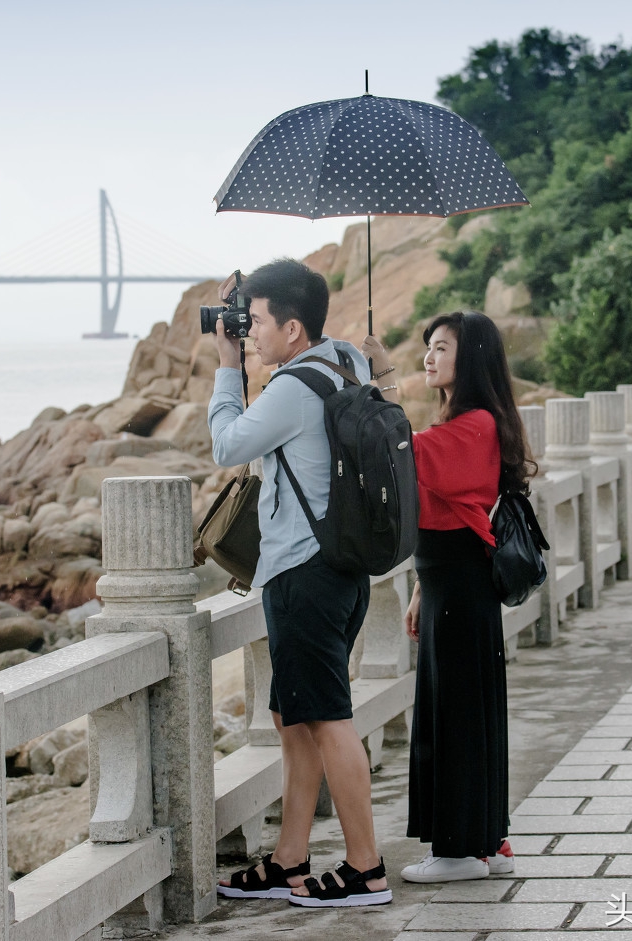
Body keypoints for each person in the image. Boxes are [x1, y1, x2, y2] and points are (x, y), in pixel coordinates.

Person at [207, 259, 391, 908]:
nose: (246, 332)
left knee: (330, 719)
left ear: (291, 327)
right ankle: (290, 858)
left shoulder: (289, 388)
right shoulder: (346, 359)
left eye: (254, 322)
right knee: (295, 716)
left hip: (303, 576)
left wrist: (228, 367)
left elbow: (227, 445)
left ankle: (366, 869)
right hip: (339, 572)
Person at [365, 311, 534, 883]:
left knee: (456, 714)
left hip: (460, 587)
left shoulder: (475, 425)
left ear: (473, 358)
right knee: (465, 709)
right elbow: (444, 506)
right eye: (428, 348)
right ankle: (487, 840)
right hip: (449, 585)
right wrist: (419, 589)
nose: (430, 357)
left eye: (442, 347)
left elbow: (402, 451)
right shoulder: (470, 422)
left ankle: (461, 852)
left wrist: (382, 377)